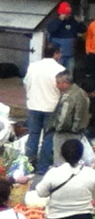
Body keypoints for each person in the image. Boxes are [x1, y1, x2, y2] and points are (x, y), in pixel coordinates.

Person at [24, 43, 64, 173]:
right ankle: (42, 167)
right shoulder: (60, 69)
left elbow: (26, 84)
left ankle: (28, 165)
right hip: (51, 107)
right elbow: (62, 90)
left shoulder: (33, 66)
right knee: (48, 137)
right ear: (56, 53)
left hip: (33, 104)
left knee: (33, 135)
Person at [48, 71, 90, 167]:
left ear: (65, 83)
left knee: (60, 160)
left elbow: (64, 116)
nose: (57, 86)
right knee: (75, 160)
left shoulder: (68, 97)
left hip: (65, 133)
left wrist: (57, 128)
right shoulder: (82, 93)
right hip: (78, 132)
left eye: (58, 83)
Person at [48, 1, 83, 71]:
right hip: (59, 55)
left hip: (70, 54)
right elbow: (51, 30)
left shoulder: (73, 21)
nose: (68, 15)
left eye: (69, 14)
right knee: (58, 72)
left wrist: (80, 22)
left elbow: (83, 30)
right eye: (66, 14)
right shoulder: (55, 21)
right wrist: (60, 20)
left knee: (69, 74)